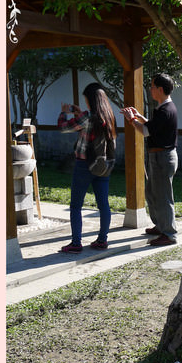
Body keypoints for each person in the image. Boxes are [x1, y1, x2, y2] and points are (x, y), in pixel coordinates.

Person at [57, 82, 117, 253]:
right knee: (103, 204)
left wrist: (64, 112)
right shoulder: (109, 117)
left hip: (84, 165)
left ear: (90, 99)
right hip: (103, 165)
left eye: (86, 100)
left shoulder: (87, 117)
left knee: (76, 205)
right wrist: (79, 112)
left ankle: (76, 243)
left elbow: (63, 127)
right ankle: (102, 240)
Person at [121, 73, 178, 247]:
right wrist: (138, 117)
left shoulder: (165, 110)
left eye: (153, 87)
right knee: (152, 193)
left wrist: (131, 120)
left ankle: (169, 233)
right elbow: (152, 128)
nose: (151, 89)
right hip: (160, 157)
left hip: (163, 157)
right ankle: (161, 226)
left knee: (163, 197)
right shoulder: (165, 108)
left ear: (160, 89)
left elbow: (145, 132)